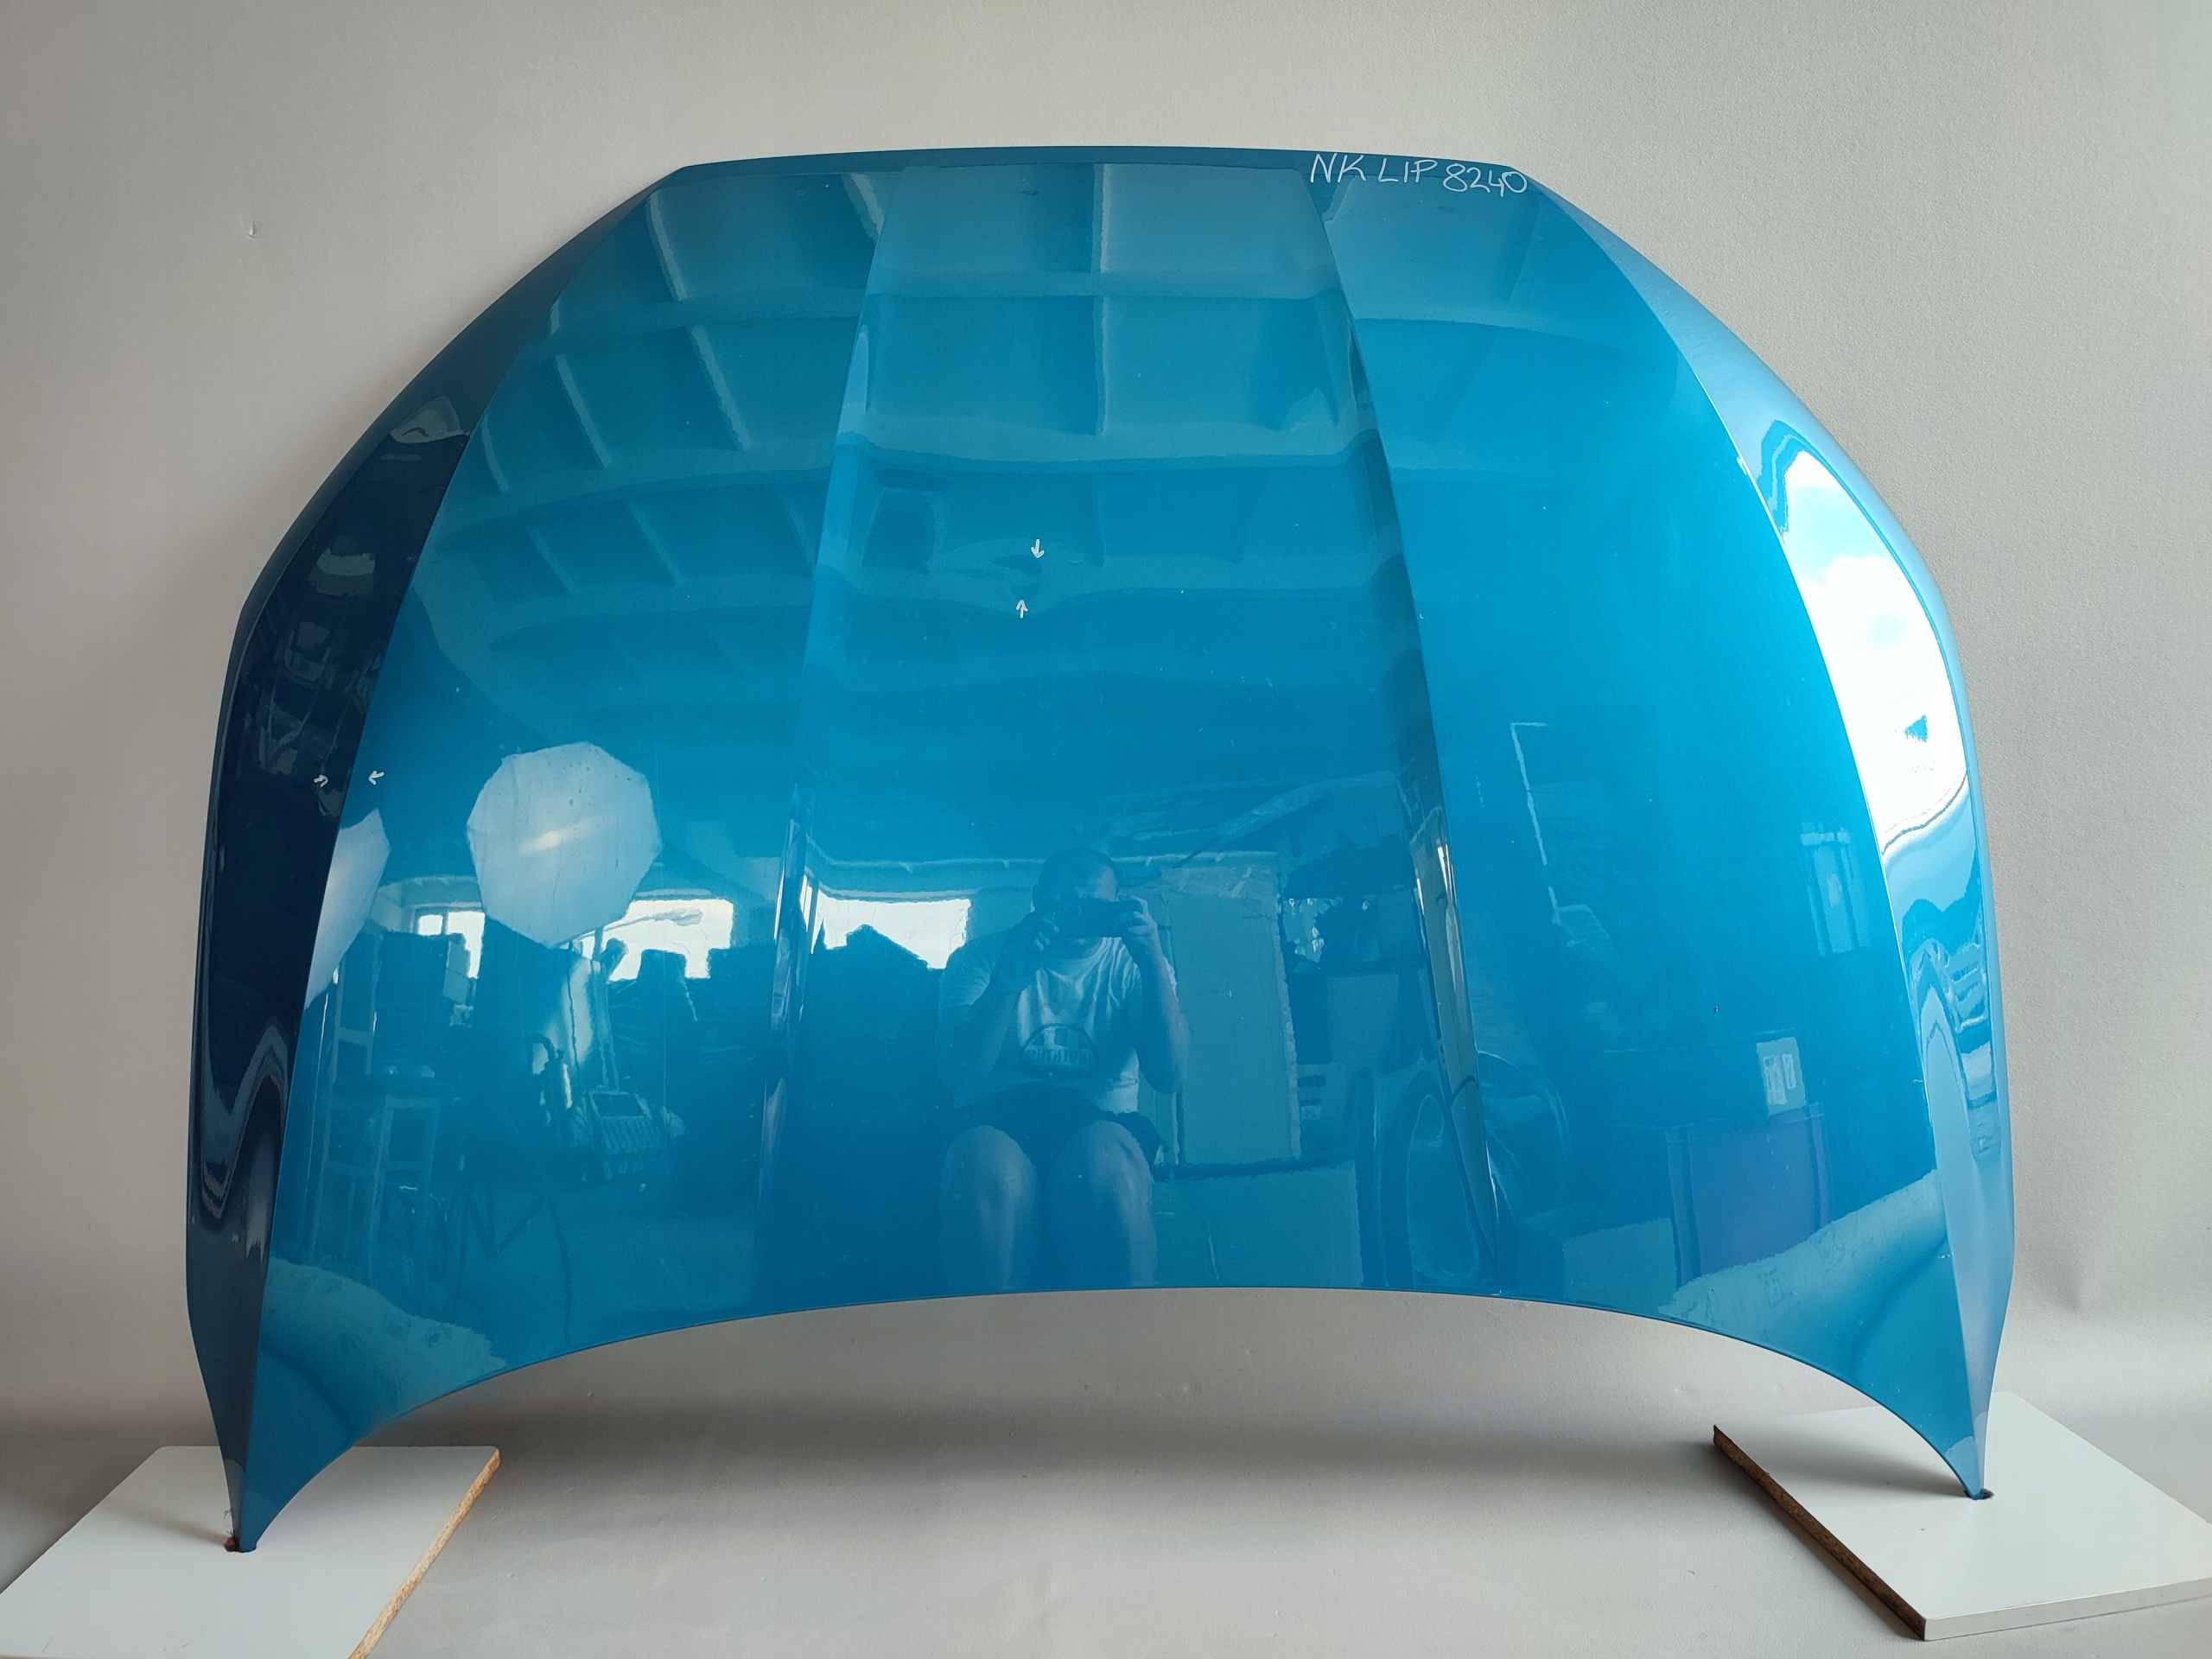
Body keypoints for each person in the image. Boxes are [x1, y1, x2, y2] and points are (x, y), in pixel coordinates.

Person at [935, 849, 1189, 1292]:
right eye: (1064, 905)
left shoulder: (1137, 965)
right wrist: (1007, 981)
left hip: (1101, 1119)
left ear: (1118, 906)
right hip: (996, 1116)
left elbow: (1168, 1076)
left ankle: (1123, 1330)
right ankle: (989, 1332)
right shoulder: (981, 959)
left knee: (1109, 1167)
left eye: (1092, 907)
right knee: (984, 1167)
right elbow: (961, 1077)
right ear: (1037, 900)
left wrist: (1151, 961)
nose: (1077, 917)